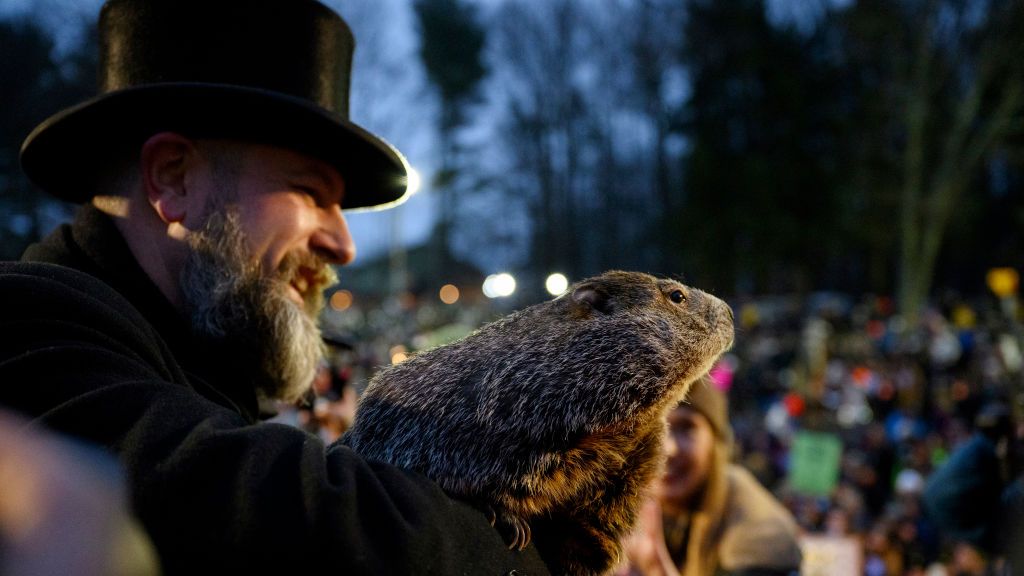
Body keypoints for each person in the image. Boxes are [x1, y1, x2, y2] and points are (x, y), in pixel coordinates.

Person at [0, 0, 550, 573]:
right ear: (173, 178)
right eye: (311, 192)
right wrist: (546, 550)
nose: (345, 243)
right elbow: (264, 514)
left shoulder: (203, 362)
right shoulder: (23, 327)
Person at [617, 379, 803, 576]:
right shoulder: (629, 503)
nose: (668, 448)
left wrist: (656, 568)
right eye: (654, 429)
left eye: (686, 428)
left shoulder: (758, 533)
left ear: (716, 444)